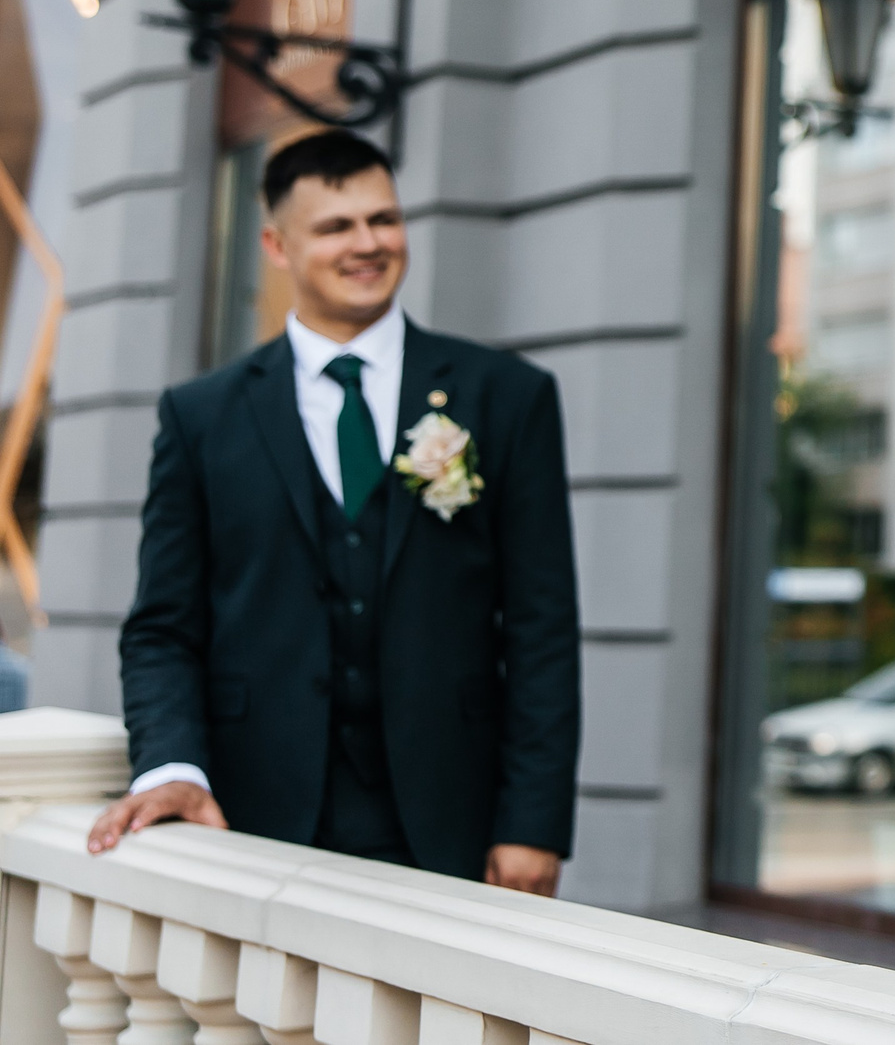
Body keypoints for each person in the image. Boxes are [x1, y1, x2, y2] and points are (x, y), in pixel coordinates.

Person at [89, 129, 579, 894]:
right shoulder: (201, 416)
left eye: (383, 219)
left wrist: (532, 820)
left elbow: (543, 626)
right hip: (253, 815)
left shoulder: (507, 396)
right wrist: (172, 763)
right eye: (336, 226)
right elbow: (162, 626)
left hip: (451, 820)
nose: (368, 244)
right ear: (277, 246)